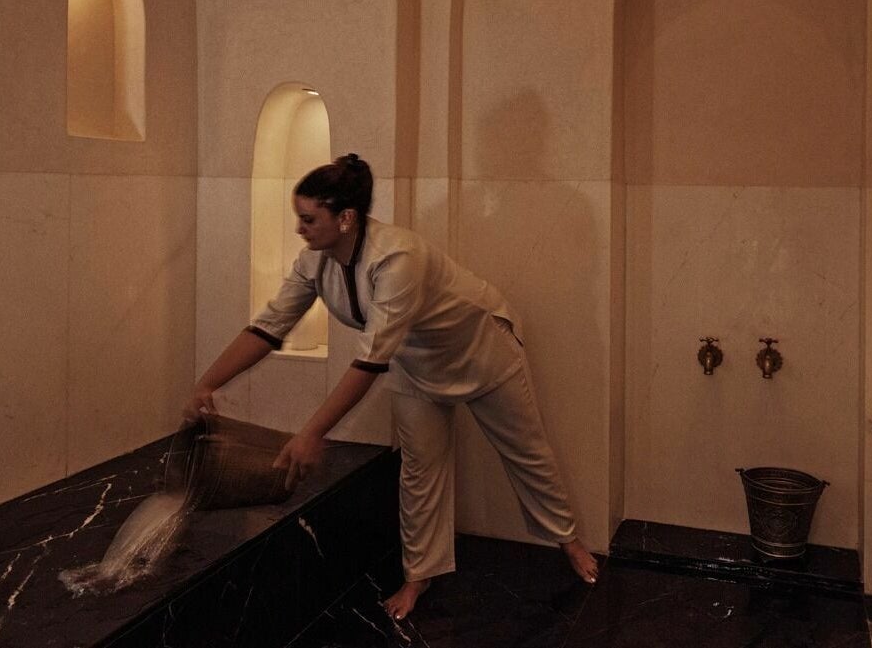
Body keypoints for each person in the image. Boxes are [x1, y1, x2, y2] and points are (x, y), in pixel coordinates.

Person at [186, 153, 598, 621]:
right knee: (420, 470)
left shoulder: (398, 257)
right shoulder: (314, 263)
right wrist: (207, 383)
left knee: (527, 452)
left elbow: (367, 363)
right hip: (413, 362)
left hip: (480, 348)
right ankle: (418, 576)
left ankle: (570, 542)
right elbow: (268, 328)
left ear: (345, 218)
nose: (299, 229)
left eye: (307, 219)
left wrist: (310, 433)